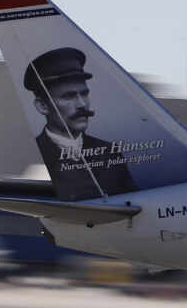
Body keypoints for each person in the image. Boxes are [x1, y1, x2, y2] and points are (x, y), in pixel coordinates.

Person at [24, 47, 139, 200]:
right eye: (69, 96)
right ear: (42, 106)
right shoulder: (37, 154)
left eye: (84, 94)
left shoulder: (109, 152)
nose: (81, 104)